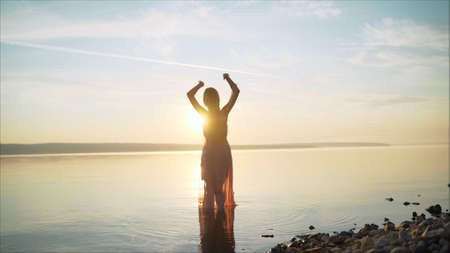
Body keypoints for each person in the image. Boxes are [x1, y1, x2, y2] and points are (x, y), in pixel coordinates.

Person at [187, 73, 239, 210]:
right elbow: (236, 91)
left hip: (212, 151)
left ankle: (214, 219)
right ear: (217, 100)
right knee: (217, 187)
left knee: (210, 185)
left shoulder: (205, 113)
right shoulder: (223, 112)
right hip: (220, 151)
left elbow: (190, 95)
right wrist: (228, 79)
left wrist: (199, 85)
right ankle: (220, 216)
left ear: (205, 101)